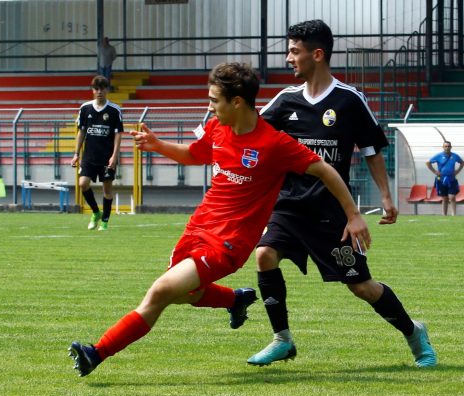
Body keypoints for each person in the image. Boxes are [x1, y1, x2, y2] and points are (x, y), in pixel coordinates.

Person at [68, 62, 371, 377]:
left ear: (236, 102)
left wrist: (353, 215)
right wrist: (158, 146)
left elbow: (323, 169)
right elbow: (194, 155)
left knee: (160, 292)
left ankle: (96, 353)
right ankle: (235, 299)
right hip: (198, 228)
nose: (209, 107)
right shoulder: (218, 129)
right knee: (187, 293)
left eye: (214, 100)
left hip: (228, 244)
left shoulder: (274, 144)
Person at [247, 19, 437, 368]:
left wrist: (385, 197)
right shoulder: (284, 100)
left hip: (331, 213)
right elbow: (251, 132)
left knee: (362, 287)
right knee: (264, 255)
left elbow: (371, 150)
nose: (288, 58)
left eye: (294, 51)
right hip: (288, 206)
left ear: (317, 54)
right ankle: (281, 339)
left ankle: (414, 332)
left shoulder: (349, 100)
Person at [71, 75, 123, 231]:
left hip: (107, 157)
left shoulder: (114, 110)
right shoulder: (85, 108)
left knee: (107, 189)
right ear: (93, 90)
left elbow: (118, 134)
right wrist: (76, 154)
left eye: (102, 89)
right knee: (82, 183)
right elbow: (81, 132)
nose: (99, 92)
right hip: (89, 156)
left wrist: (114, 156)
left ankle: (105, 222)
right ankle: (95, 212)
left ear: (107, 90)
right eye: (96, 89)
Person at [426, 141, 463, 216]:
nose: (447, 148)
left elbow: (462, 163)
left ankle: (454, 214)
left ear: (451, 147)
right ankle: (444, 215)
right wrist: (435, 172)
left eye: (448, 146)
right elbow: (428, 162)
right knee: (445, 198)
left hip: (451, 179)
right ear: (443, 147)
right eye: (445, 146)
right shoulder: (439, 155)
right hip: (442, 179)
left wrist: (457, 171)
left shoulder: (455, 156)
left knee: (452, 197)